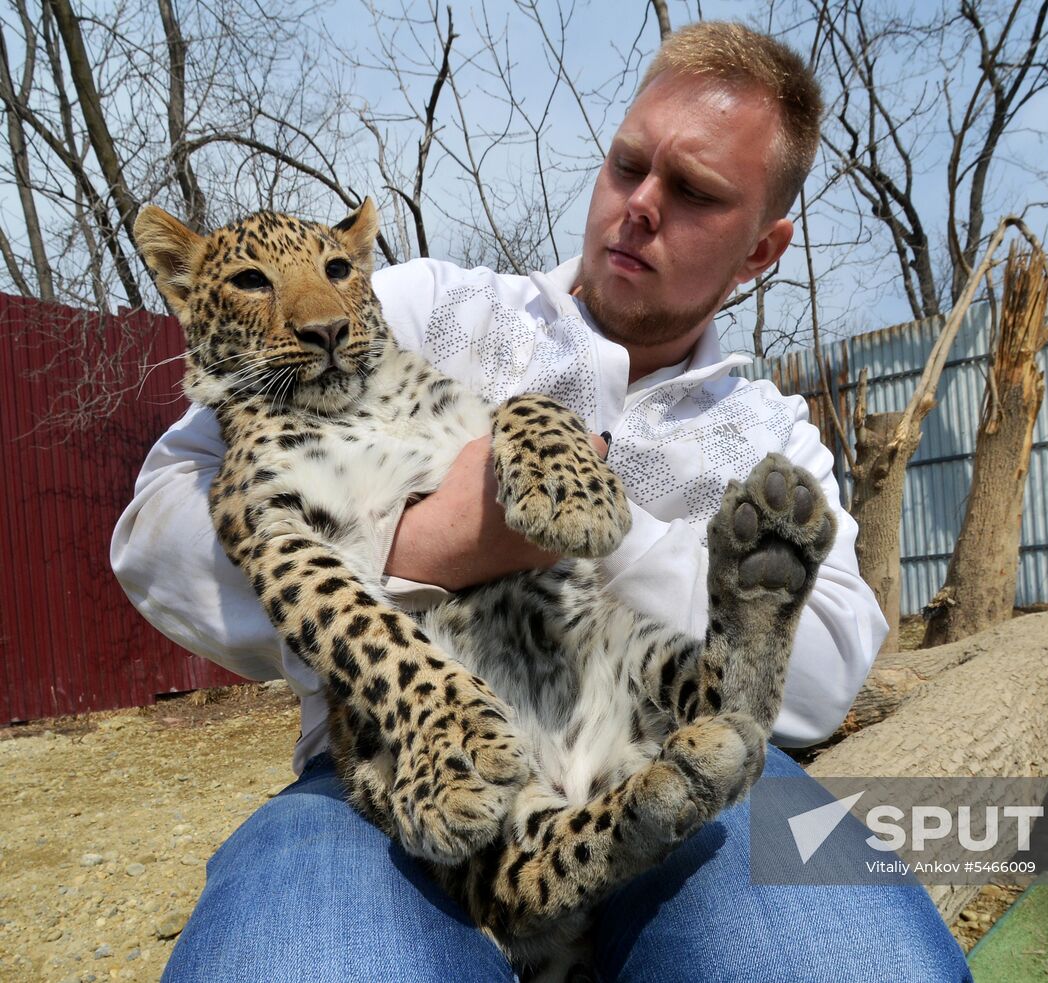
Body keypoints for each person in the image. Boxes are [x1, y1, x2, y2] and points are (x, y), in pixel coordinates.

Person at [111, 21, 972, 983]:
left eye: (694, 192)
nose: (640, 206)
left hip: (666, 739)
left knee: (840, 959)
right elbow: (155, 532)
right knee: (308, 959)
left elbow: (825, 679)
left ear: (761, 250)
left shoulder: (776, 433)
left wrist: (600, 533)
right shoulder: (426, 306)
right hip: (397, 761)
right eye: (627, 164)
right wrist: (430, 543)